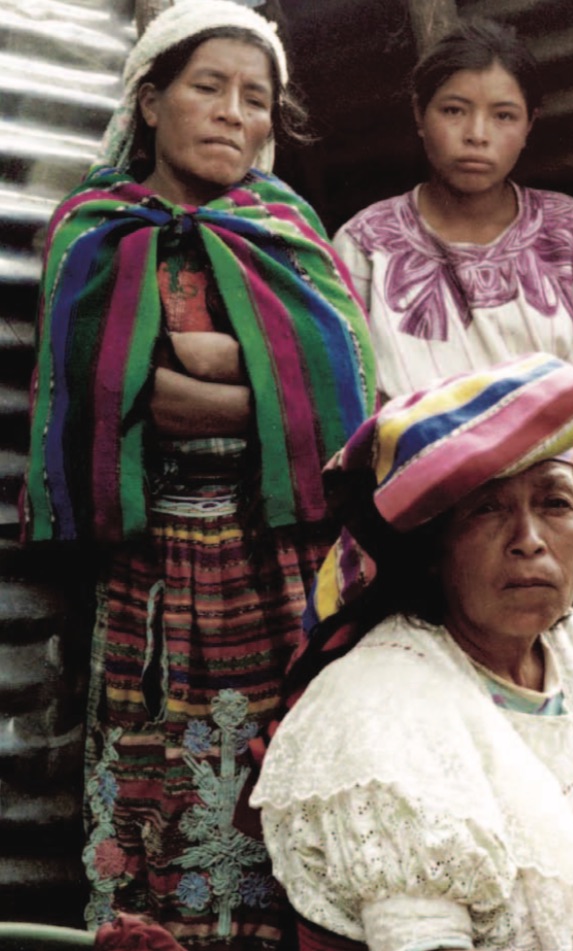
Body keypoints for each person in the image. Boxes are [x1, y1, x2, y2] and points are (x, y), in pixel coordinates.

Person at [20, 1, 375, 946]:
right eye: (206, 87)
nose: (232, 113)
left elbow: (346, 388)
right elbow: (109, 395)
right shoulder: (94, 231)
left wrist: (217, 370)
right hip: (152, 570)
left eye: (254, 98)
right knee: (157, 780)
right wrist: (262, 376)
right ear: (150, 100)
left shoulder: (286, 226)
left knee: (281, 772)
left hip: (277, 561)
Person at [250, 353, 573, 951]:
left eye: (555, 504)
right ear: (432, 550)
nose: (530, 541)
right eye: (488, 509)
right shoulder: (381, 710)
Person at [332, 19, 573, 616]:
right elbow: (349, 402)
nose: (476, 135)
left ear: (529, 126)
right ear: (419, 114)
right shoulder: (367, 243)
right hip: (417, 526)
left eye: (503, 115)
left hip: (548, 528)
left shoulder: (569, 233)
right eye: (453, 110)